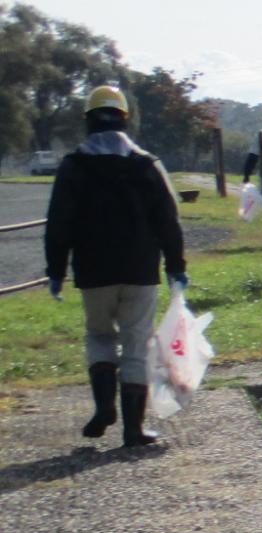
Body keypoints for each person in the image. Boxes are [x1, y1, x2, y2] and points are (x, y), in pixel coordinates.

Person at [44, 85, 187, 450]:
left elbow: (59, 223)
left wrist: (57, 271)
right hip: (140, 270)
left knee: (99, 336)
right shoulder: (146, 163)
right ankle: (133, 431)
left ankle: (105, 405)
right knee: (136, 344)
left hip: (93, 271)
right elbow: (168, 220)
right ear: (125, 118)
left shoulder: (74, 166)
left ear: (88, 122)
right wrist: (176, 266)